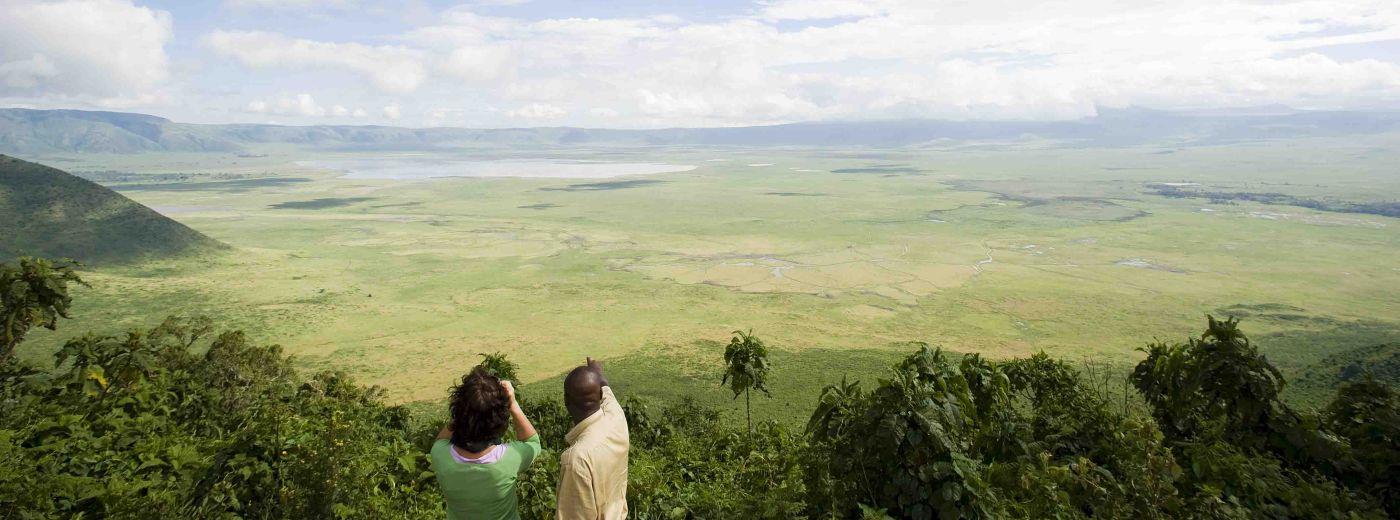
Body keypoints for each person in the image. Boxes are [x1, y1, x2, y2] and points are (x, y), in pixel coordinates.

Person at [431, 366, 541, 520]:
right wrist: (513, 404)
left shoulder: (440, 455)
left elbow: (441, 440)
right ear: (500, 419)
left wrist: (465, 412)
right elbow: (533, 442)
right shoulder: (510, 459)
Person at [557, 357, 630, 520]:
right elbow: (608, 395)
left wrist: (597, 376)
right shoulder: (617, 419)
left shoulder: (577, 459)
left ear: (566, 400)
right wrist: (599, 375)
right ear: (599, 395)